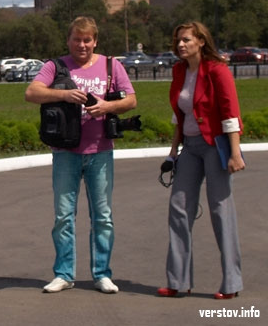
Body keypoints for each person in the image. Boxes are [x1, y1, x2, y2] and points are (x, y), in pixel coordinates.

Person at [24, 16, 137, 294]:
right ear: (69, 40)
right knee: (63, 215)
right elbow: (31, 92)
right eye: (77, 39)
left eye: (87, 39)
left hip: (100, 151)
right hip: (66, 152)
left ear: (95, 41)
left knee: (103, 216)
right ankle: (64, 273)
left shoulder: (112, 65)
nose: (82, 44)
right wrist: (64, 96)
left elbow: (131, 100)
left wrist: (106, 107)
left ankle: (102, 274)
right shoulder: (56, 66)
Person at [159, 21, 244, 300]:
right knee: (179, 208)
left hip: (215, 145)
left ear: (201, 41)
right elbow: (178, 115)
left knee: (221, 211)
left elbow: (230, 112)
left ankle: (231, 283)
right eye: (178, 41)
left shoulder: (217, 71)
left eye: (186, 40)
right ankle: (178, 281)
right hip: (190, 147)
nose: (180, 45)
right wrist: (173, 151)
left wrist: (234, 153)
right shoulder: (179, 71)